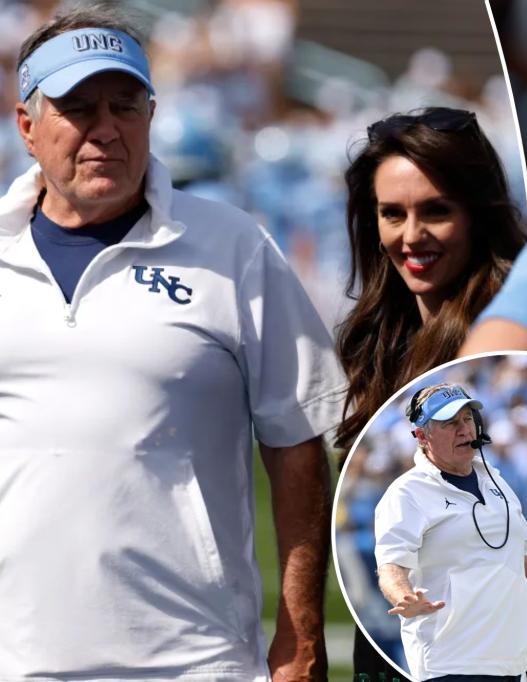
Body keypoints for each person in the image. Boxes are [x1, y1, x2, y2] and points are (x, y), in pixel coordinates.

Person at [0, 7, 343, 680]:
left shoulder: (234, 246)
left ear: (151, 116)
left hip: (195, 661)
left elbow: (298, 440)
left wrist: (302, 638)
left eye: (125, 106)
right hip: (18, 658)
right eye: (78, 108)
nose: (105, 129)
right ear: (28, 127)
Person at [374, 383, 527, 681]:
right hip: (451, 664)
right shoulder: (406, 493)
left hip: (510, 662)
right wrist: (404, 597)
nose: (464, 430)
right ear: (422, 436)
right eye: (450, 423)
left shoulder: (496, 481)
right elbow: (391, 566)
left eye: (467, 419)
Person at [334, 108, 527, 454]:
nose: (412, 235)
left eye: (436, 211)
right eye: (392, 214)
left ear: (478, 217)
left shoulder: (503, 339)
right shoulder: (378, 343)